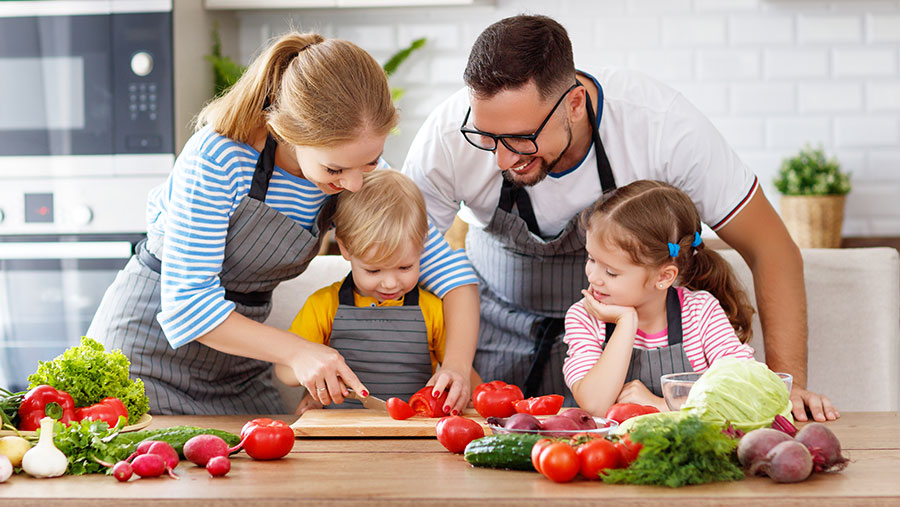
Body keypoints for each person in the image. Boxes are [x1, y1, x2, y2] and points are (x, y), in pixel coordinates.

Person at [402, 14, 837, 421]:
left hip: (624, 360)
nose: (499, 159)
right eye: (486, 137)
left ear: (574, 103)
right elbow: (403, 262)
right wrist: (457, 368)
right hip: (494, 341)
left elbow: (772, 248)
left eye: (520, 139)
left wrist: (787, 388)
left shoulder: (661, 126)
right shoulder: (446, 138)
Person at [88, 31, 479, 416]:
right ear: (286, 132)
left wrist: (457, 366)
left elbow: (452, 276)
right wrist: (299, 351)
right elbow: (187, 306)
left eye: (371, 161)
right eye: (335, 168)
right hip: (144, 355)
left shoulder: (354, 172)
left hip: (241, 364)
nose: (356, 183)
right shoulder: (219, 158)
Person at [275, 170, 479, 414]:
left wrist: (473, 393)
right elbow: (284, 370)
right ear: (345, 248)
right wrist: (313, 375)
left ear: (422, 246)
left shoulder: (433, 309)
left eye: (405, 267)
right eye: (373, 270)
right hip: (340, 431)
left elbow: (462, 375)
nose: (391, 283)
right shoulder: (323, 305)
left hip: (412, 432)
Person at [563, 180, 757, 415]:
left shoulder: (700, 313)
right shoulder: (585, 317)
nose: (593, 277)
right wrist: (626, 323)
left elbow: (747, 392)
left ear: (664, 277)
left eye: (611, 272)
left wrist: (659, 405)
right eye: (591, 259)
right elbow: (594, 404)